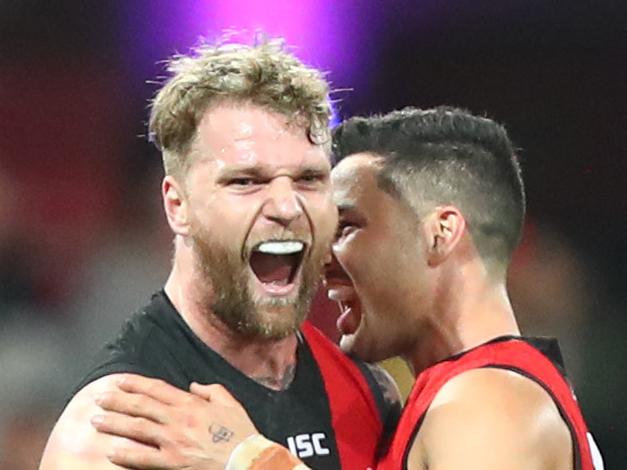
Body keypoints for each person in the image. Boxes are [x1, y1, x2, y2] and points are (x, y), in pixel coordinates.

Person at [91, 106, 603, 469]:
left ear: (440, 233)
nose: (322, 256)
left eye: (349, 228)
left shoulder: (487, 404)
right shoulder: (463, 393)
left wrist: (247, 459)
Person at [38, 39, 401, 470]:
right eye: (246, 181)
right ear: (178, 206)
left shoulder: (366, 393)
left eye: (308, 179)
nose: (286, 207)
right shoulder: (117, 432)